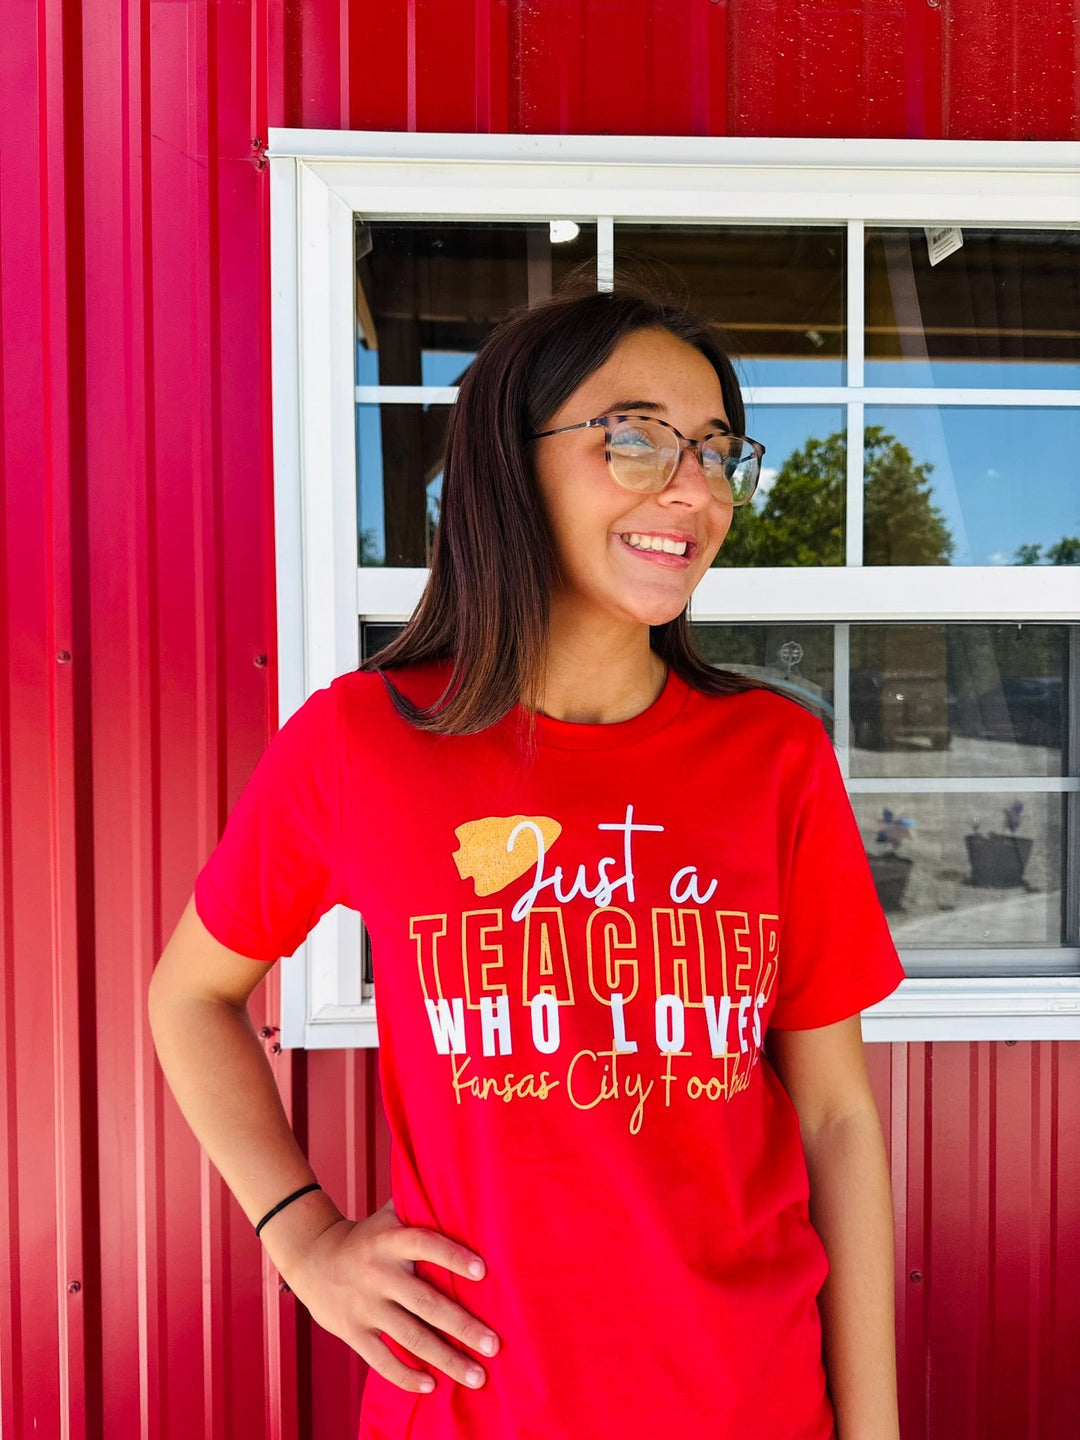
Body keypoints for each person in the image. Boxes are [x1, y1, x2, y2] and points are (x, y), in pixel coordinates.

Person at [149, 279, 906, 1440]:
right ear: (512, 458)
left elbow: (837, 1120)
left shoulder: (774, 757)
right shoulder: (364, 744)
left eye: (715, 449)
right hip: (473, 1406)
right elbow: (189, 996)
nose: (692, 489)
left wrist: (874, 1429)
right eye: (638, 438)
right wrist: (301, 1235)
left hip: (751, 1401)